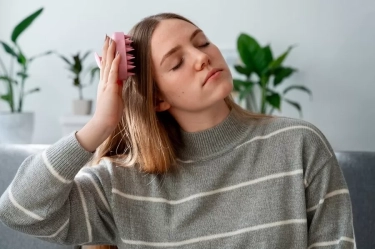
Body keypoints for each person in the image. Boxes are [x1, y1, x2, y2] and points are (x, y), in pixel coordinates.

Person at [0, 13, 356, 249]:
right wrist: (99, 126)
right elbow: (20, 211)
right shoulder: (122, 184)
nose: (202, 57)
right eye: (176, 62)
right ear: (157, 100)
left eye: (201, 42)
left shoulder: (299, 145)